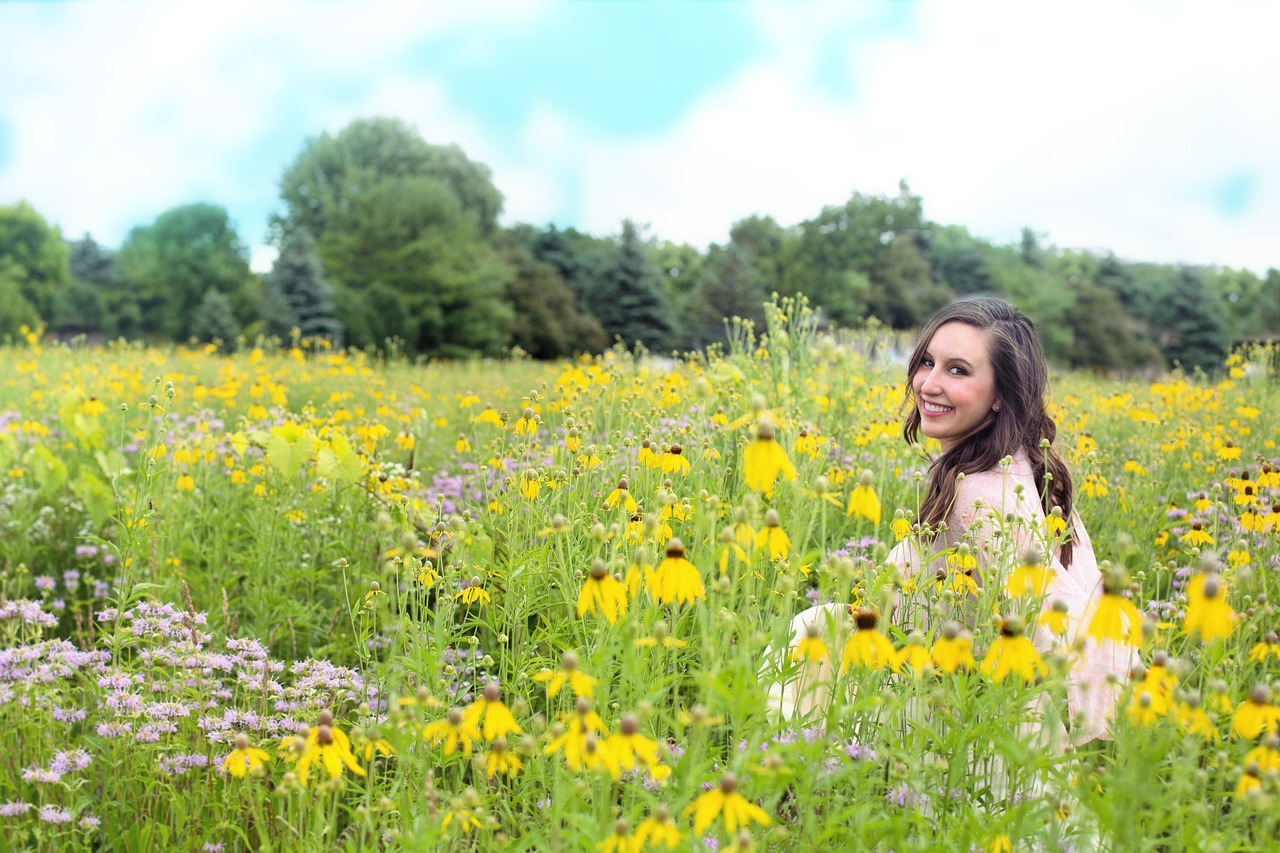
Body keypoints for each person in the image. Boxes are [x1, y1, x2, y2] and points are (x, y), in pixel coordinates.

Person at [766, 297, 1131, 747]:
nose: (928, 384)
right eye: (927, 362)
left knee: (814, 632)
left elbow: (1046, 619)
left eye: (958, 370)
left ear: (1001, 395)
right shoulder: (1021, 466)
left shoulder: (979, 494)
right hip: (966, 701)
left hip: (964, 722)